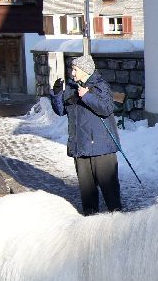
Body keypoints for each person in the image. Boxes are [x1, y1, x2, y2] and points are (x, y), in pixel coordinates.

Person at [50, 54, 122, 215]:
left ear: (85, 70)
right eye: (72, 69)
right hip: (80, 147)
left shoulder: (99, 86)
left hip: (101, 148)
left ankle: (118, 220)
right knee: (87, 192)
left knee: (110, 190)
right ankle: (90, 220)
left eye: (75, 69)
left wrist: (86, 96)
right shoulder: (71, 88)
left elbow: (106, 109)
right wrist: (56, 94)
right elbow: (60, 111)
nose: (72, 73)